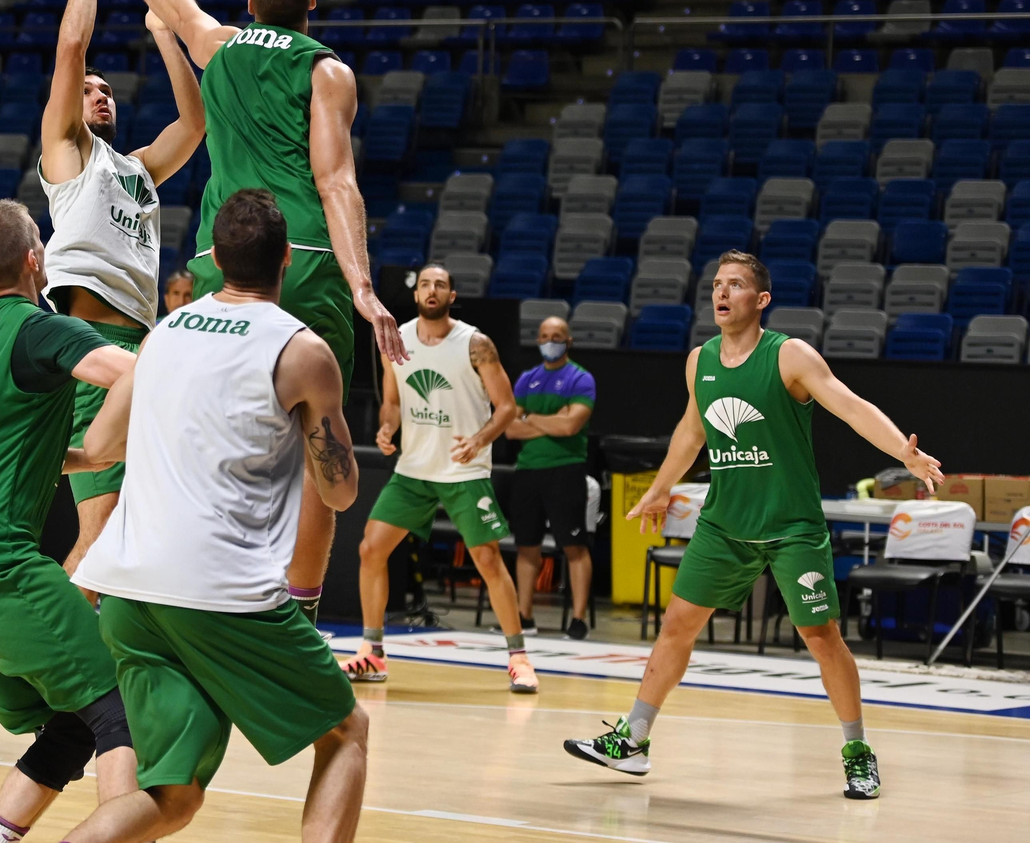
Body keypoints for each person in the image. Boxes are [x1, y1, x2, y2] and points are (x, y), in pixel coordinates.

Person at [102, 0, 408, 623]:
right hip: (301, 261)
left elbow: (175, 4)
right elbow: (336, 181)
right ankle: (295, 615)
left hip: (220, 264)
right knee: (317, 458)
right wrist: (361, 285)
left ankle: (190, 584)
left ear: (248, 4)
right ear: (312, 3)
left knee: (211, 429)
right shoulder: (327, 71)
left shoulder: (217, 43)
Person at [564, 251, 943, 801]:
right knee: (676, 626)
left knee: (822, 637)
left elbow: (852, 406)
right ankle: (635, 738)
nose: (721, 293)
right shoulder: (700, 360)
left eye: (735, 285)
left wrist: (903, 455)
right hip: (724, 525)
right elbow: (692, 431)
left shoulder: (789, 355)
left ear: (760, 300)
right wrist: (659, 487)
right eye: (717, 284)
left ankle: (858, 752)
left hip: (791, 526)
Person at [63, 189, 369, 843]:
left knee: (172, 797)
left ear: (214, 260)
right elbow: (340, 492)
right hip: (216, 591)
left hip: (126, 590)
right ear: (287, 258)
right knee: (346, 730)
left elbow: (96, 450)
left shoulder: (164, 333)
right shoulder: (303, 349)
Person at [0, 200, 140, 843]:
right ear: (35, 260)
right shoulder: (41, 328)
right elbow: (133, 372)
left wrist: (78, 455)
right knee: (123, 707)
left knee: (74, 721)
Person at [40, 0, 206, 589]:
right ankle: (52, 656)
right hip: (90, 346)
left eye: (108, 90)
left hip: (139, 348)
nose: (100, 94)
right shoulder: (67, 156)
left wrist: (164, 31)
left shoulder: (135, 169)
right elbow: (70, 52)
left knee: (138, 526)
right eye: (89, 91)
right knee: (101, 528)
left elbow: (193, 126)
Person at [345, 264, 535, 692]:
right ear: (416, 295)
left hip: (462, 468)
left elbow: (506, 407)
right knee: (371, 549)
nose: (432, 290)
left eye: (441, 285)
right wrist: (386, 428)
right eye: (426, 284)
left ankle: (519, 657)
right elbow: (392, 401)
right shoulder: (397, 339)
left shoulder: (476, 343)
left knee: (487, 558)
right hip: (414, 467)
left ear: (452, 296)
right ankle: (372, 653)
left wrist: (481, 439)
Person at [505, 315, 597, 639]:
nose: (550, 340)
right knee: (527, 546)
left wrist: (529, 418)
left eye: (557, 335)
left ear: (568, 341)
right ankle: (524, 616)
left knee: (573, 545)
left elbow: (571, 426)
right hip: (528, 471)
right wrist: (547, 419)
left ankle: (579, 619)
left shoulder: (580, 379)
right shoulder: (527, 379)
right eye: (544, 335)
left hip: (566, 469)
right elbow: (510, 427)